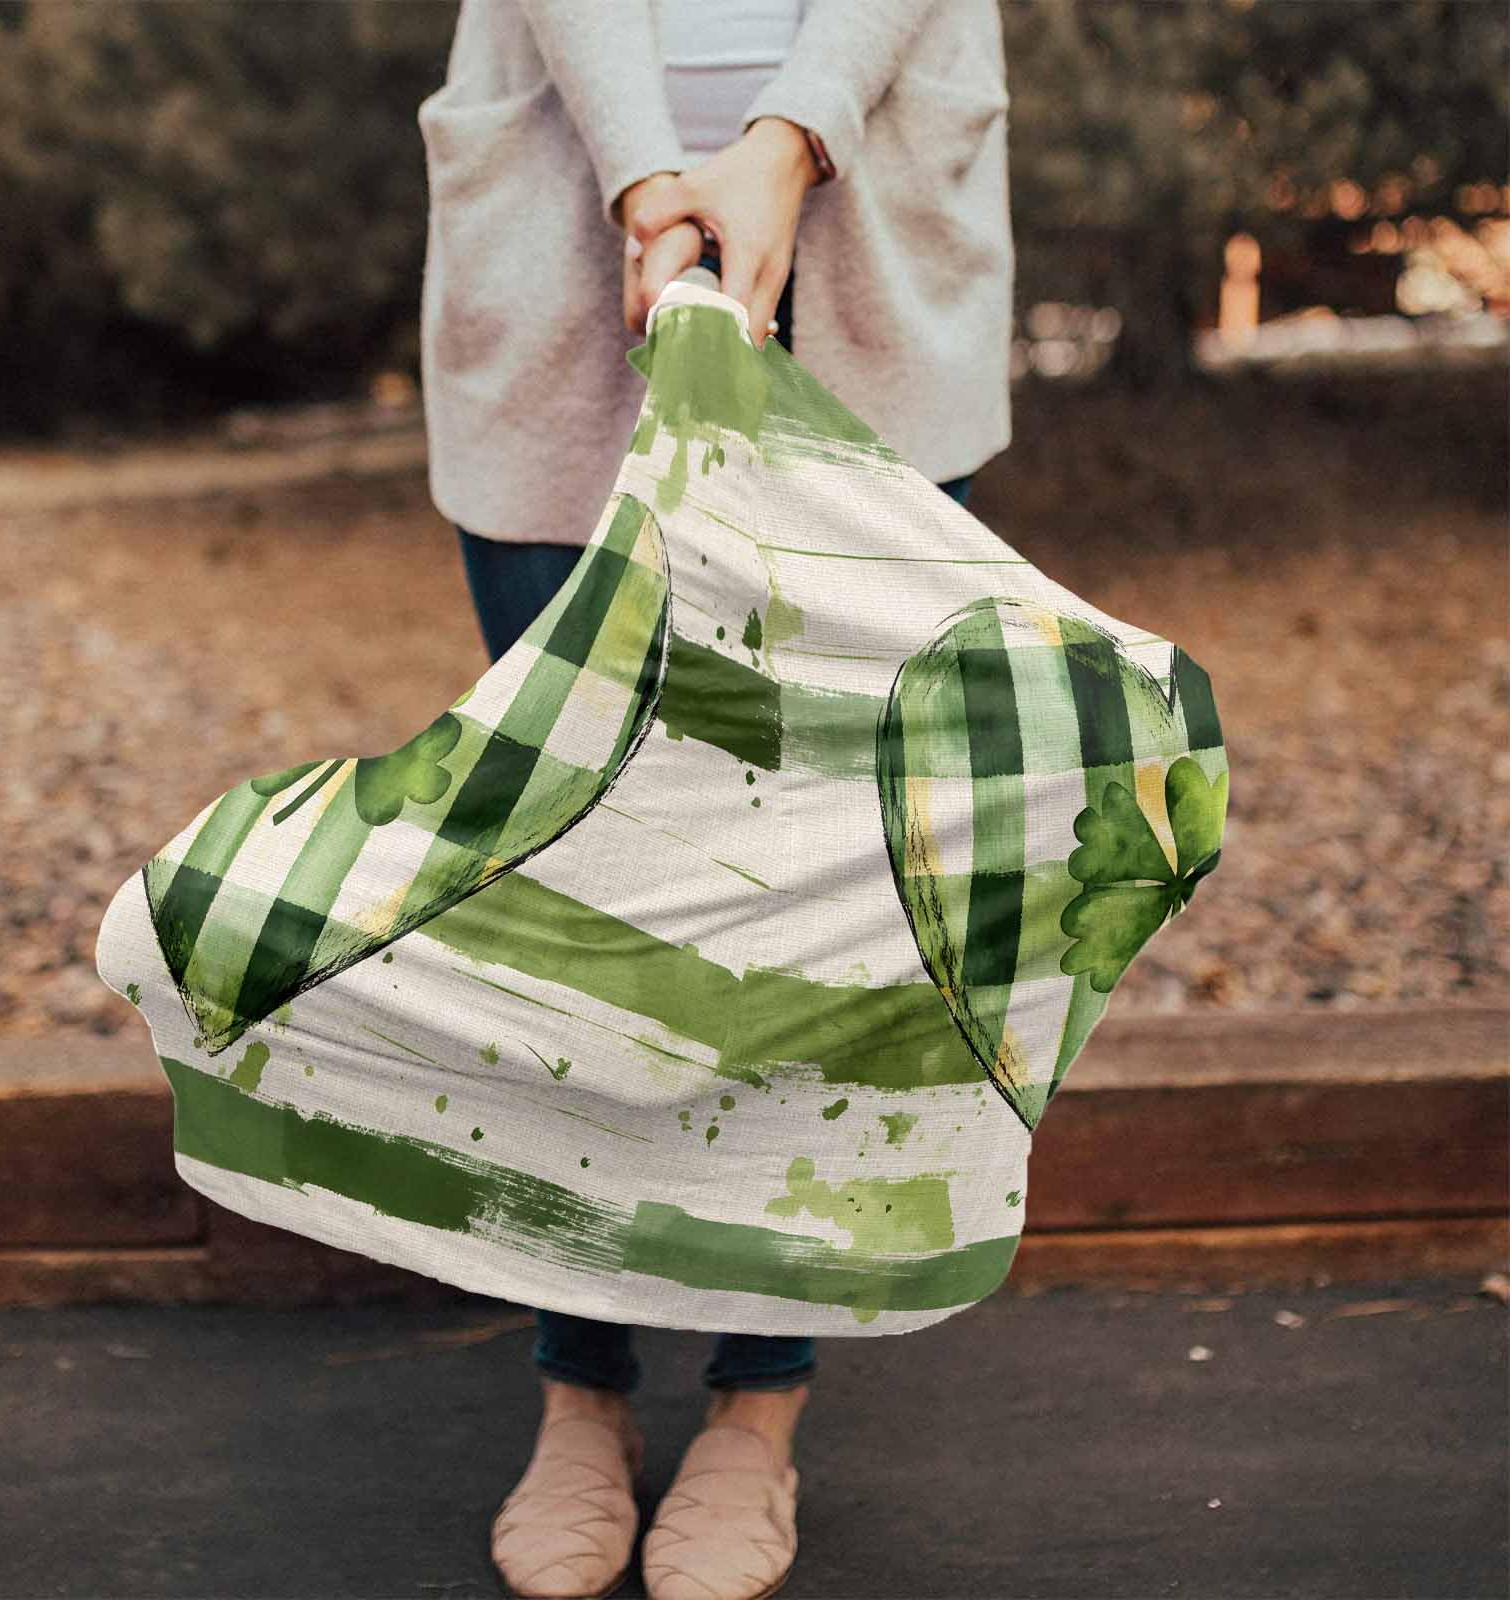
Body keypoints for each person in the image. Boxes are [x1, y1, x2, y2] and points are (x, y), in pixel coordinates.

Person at [415, 4, 1013, 1596]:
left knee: (819, 883)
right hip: (566, 216)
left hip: (870, 219)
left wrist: (788, 136)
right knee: (574, 880)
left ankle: (758, 1405)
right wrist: (644, 177)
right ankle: (580, 1387)